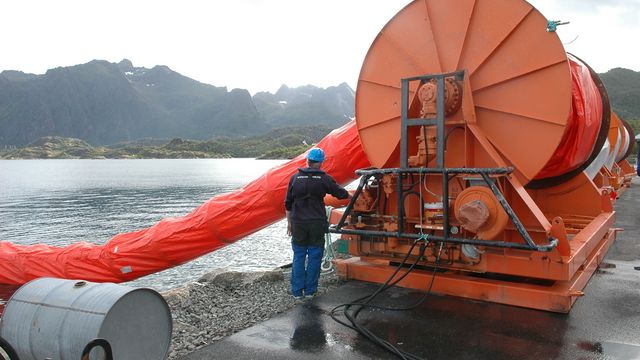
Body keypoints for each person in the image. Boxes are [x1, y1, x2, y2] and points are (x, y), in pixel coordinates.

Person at [284, 147, 349, 299]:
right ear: (320, 163)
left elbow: (288, 203)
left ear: (307, 161)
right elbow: (340, 193)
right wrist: (352, 196)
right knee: (314, 255)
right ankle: (310, 291)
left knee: (299, 255)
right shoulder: (324, 178)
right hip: (316, 222)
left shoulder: (294, 178)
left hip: (298, 222)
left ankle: (297, 292)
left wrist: (289, 224)